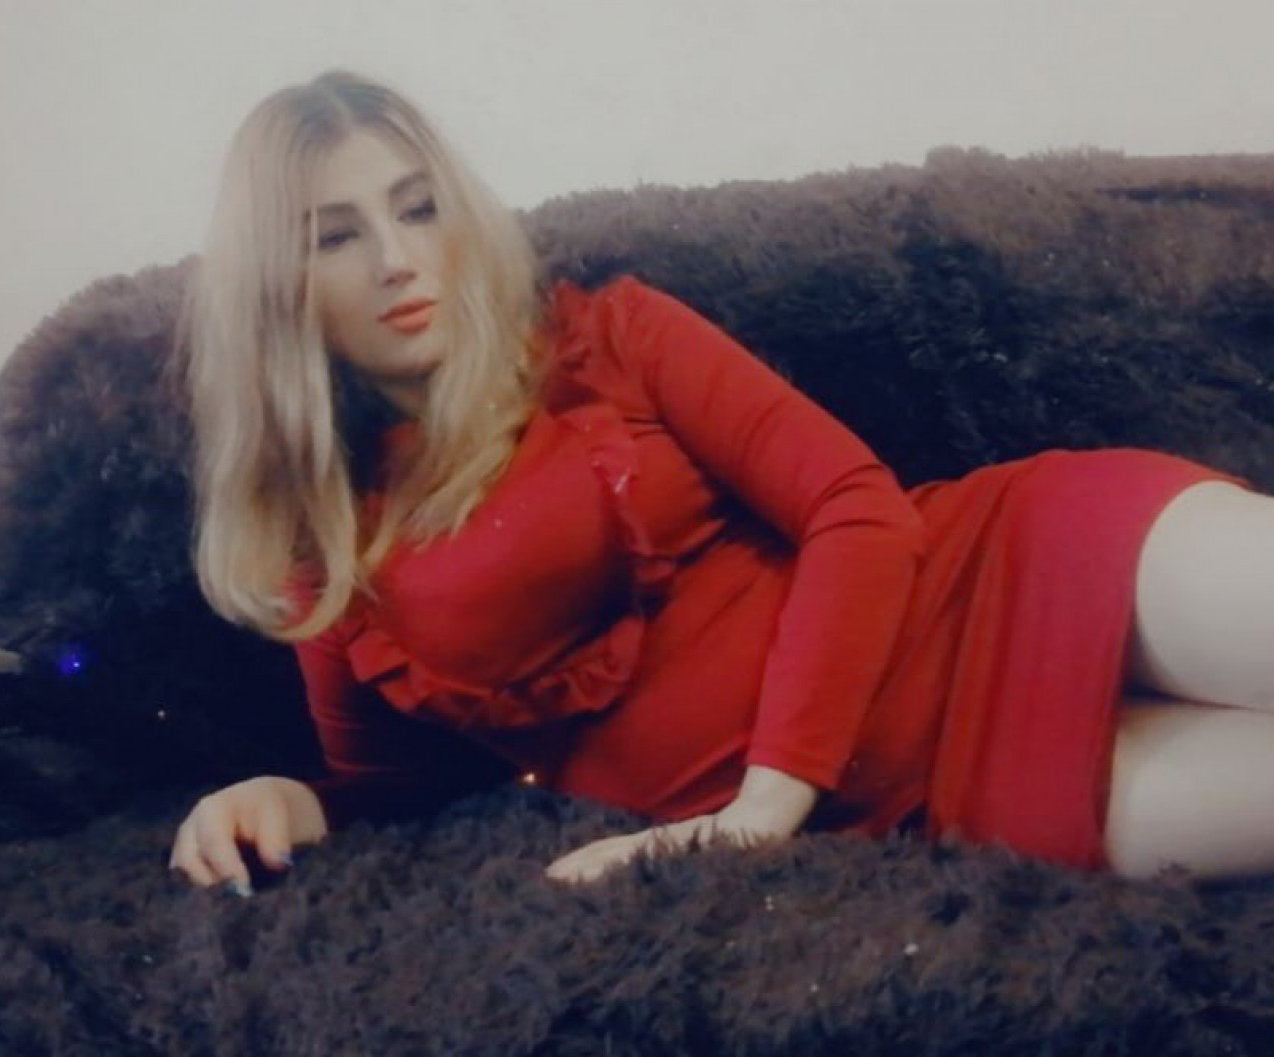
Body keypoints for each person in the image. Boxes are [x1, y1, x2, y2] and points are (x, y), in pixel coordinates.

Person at [168, 69, 1274, 897]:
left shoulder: (610, 336)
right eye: (335, 236)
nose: (397, 259)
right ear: (276, 286)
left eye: (417, 208)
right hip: (941, 792)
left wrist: (761, 806)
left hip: (1016, 565)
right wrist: (283, 796)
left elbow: (854, 505)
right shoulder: (323, 543)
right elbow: (399, 783)